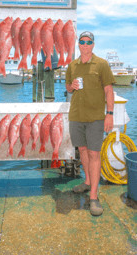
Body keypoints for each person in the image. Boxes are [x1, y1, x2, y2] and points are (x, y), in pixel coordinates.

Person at [65, 31, 115, 216]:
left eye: (89, 42)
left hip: (95, 117)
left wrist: (109, 114)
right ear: (78, 44)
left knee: (94, 153)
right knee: (83, 150)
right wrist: (72, 86)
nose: (85, 45)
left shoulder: (101, 64)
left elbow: (109, 91)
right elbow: (68, 86)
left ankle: (94, 196)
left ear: (93, 45)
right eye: (82, 42)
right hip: (76, 115)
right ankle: (87, 182)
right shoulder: (72, 65)